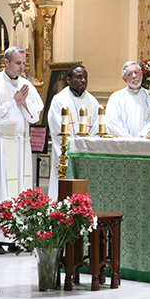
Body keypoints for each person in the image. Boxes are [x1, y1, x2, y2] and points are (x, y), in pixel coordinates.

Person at [0, 46, 44, 254]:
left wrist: (23, 105)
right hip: (0, 144)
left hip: (21, 144)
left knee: (21, 189)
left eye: (24, 63)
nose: (22, 68)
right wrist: (14, 103)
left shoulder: (26, 85)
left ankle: (18, 236)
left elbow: (36, 115)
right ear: (6, 62)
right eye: (18, 63)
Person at [47, 65, 99, 200]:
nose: (83, 80)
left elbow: (97, 127)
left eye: (85, 77)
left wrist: (87, 143)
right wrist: (76, 144)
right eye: (79, 77)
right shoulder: (59, 100)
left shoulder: (92, 102)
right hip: (67, 153)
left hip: (86, 153)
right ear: (69, 80)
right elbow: (57, 127)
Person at [105, 61, 150, 137]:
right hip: (123, 144)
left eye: (136, 72)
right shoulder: (116, 97)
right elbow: (111, 121)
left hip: (146, 142)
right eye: (129, 74)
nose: (134, 76)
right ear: (124, 79)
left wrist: (142, 136)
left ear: (141, 74)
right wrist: (127, 138)